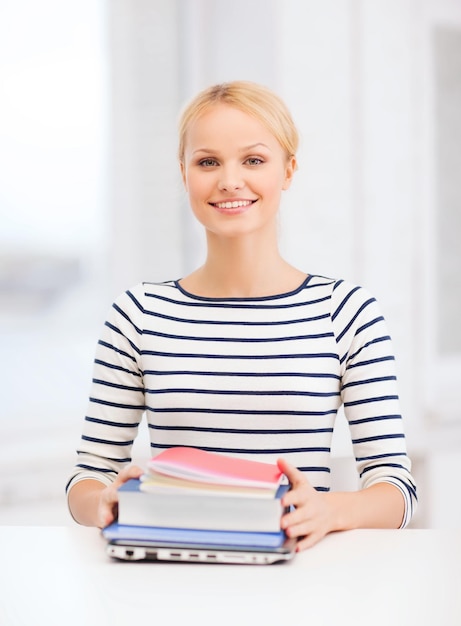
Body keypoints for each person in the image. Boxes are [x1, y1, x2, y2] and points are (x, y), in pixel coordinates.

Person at [66, 80, 417, 551]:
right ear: (184, 172)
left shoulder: (346, 313)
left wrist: (329, 510)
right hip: (169, 576)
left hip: (300, 577)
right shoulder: (139, 314)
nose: (230, 180)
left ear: (288, 170)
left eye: (253, 160)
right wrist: (105, 501)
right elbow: (88, 478)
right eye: (207, 161)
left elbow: (397, 489)